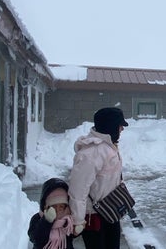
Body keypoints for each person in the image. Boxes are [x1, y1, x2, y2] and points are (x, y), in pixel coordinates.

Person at [68, 107, 129, 249]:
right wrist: (78, 220)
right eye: (120, 126)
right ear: (111, 126)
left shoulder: (109, 147)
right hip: (94, 217)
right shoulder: (91, 153)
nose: (122, 129)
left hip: (110, 211)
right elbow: (78, 190)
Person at [28, 178, 76, 249]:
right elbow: (35, 238)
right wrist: (46, 221)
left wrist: (76, 231)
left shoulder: (68, 219)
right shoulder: (37, 218)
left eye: (61, 206)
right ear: (46, 206)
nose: (57, 210)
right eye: (54, 206)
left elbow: (70, 236)